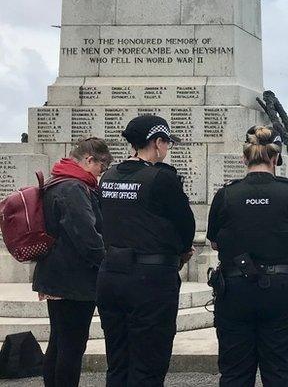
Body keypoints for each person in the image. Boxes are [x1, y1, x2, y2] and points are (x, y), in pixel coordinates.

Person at [207, 126, 288, 386]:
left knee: (234, 373)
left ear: (244, 158)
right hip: (281, 289)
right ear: (275, 158)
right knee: (278, 371)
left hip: (234, 290)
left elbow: (213, 242)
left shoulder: (226, 194)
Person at [96, 115, 195, 387]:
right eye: (166, 143)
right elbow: (186, 224)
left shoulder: (109, 176)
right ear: (157, 142)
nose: (167, 149)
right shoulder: (161, 179)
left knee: (118, 361)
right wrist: (182, 251)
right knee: (148, 364)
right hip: (150, 279)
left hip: (112, 274)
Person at [32, 138, 112, 387]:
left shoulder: (58, 181)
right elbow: (86, 237)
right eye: (102, 167)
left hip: (57, 276)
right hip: (74, 281)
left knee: (59, 343)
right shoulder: (74, 188)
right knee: (71, 347)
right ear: (89, 160)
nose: (101, 174)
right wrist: (108, 264)